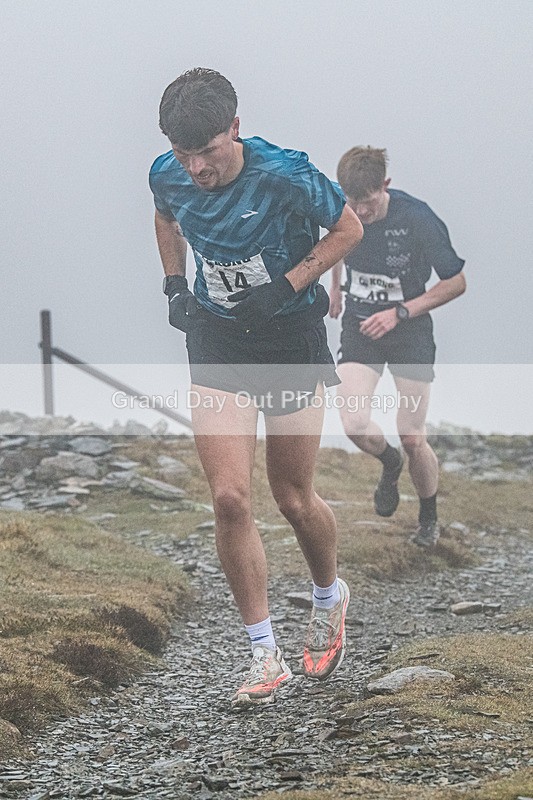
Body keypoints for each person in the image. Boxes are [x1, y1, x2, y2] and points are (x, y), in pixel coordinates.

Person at [149, 68, 363, 708]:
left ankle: (329, 596)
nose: (196, 168)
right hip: (217, 342)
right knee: (230, 500)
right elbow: (165, 217)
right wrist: (173, 284)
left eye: (208, 151)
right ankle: (264, 654)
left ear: (235, 130)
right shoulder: (167, 172)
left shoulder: (284, 172)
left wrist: (291, 283)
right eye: (184, 153)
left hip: (290, 341)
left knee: (293, 496)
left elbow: (348, 230)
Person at [329, 146, 466, 548]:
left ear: (385, 186)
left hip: (409, 331)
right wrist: (335, 287)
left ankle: (428, 518)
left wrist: (401, 313)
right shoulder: (344, 208)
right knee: (353, 424)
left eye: (368, 203)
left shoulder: (418, 218)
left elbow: (456, 282)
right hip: (361, 327)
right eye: (353, 203)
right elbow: (338, 239)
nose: (362, 213)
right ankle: (389, 464)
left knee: (412, 435)